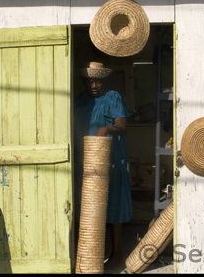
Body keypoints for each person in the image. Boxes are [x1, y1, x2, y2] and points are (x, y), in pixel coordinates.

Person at [74, 61, 133, 270]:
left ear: (104, 81)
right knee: (89, 205)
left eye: (98, 80)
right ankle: (89, 253)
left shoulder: (112, 98)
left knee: (112, 202)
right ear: (85, 81)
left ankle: (117, 252)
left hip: (111, 158)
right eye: (91, 80)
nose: (95, 85)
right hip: (85, 159)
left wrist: (105, 129)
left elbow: (122, 126)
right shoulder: (80, 100)